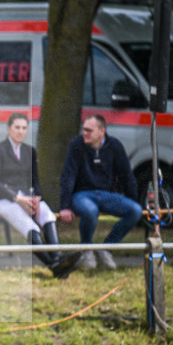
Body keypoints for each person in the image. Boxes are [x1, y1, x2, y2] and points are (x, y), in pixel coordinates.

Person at [0, 113, 81, 279]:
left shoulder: (29, 151)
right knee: (29, 226)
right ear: (9, 128)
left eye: (24, 128)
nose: (20, 131)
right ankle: (53, 265)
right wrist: (18, 199)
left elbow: (35, 180)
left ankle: (58, 258)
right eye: (17, 127)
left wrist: (37, 197)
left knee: (47, 214)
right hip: (2, 199)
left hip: (26, 197)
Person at [58, 114, 141, 270]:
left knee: (135, 210)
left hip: (106, 195)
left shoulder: (114, 146)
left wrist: (132, 199)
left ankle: (106, 248)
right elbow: (68, 176)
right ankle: (87, 249)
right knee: (90, 211)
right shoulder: (77, 144)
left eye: (89, 130)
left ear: (101, 131)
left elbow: (126, 175)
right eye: (84, 130)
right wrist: (65, 205)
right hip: (82, 195)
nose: (85, 133)